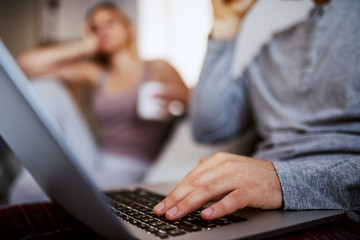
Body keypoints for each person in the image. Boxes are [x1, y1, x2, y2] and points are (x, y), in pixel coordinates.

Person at [153, 0, 360, 223]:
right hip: (256, 209)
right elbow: (209, 129)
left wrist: (280, 181)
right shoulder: (273, 47)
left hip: (341, 213)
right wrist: (225, 25)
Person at [12, 2, 189, 202]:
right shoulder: (98, 74)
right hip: (96, 156)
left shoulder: (158, 67)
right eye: (96, 27)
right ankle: (34, 177)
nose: (103, 31)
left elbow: (196, 107)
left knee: (40, 190)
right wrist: (85, 45)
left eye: (110, 23)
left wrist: (178, 100)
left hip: (131, 166)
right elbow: (27, 64)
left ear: (128, 28)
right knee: (45, 87)